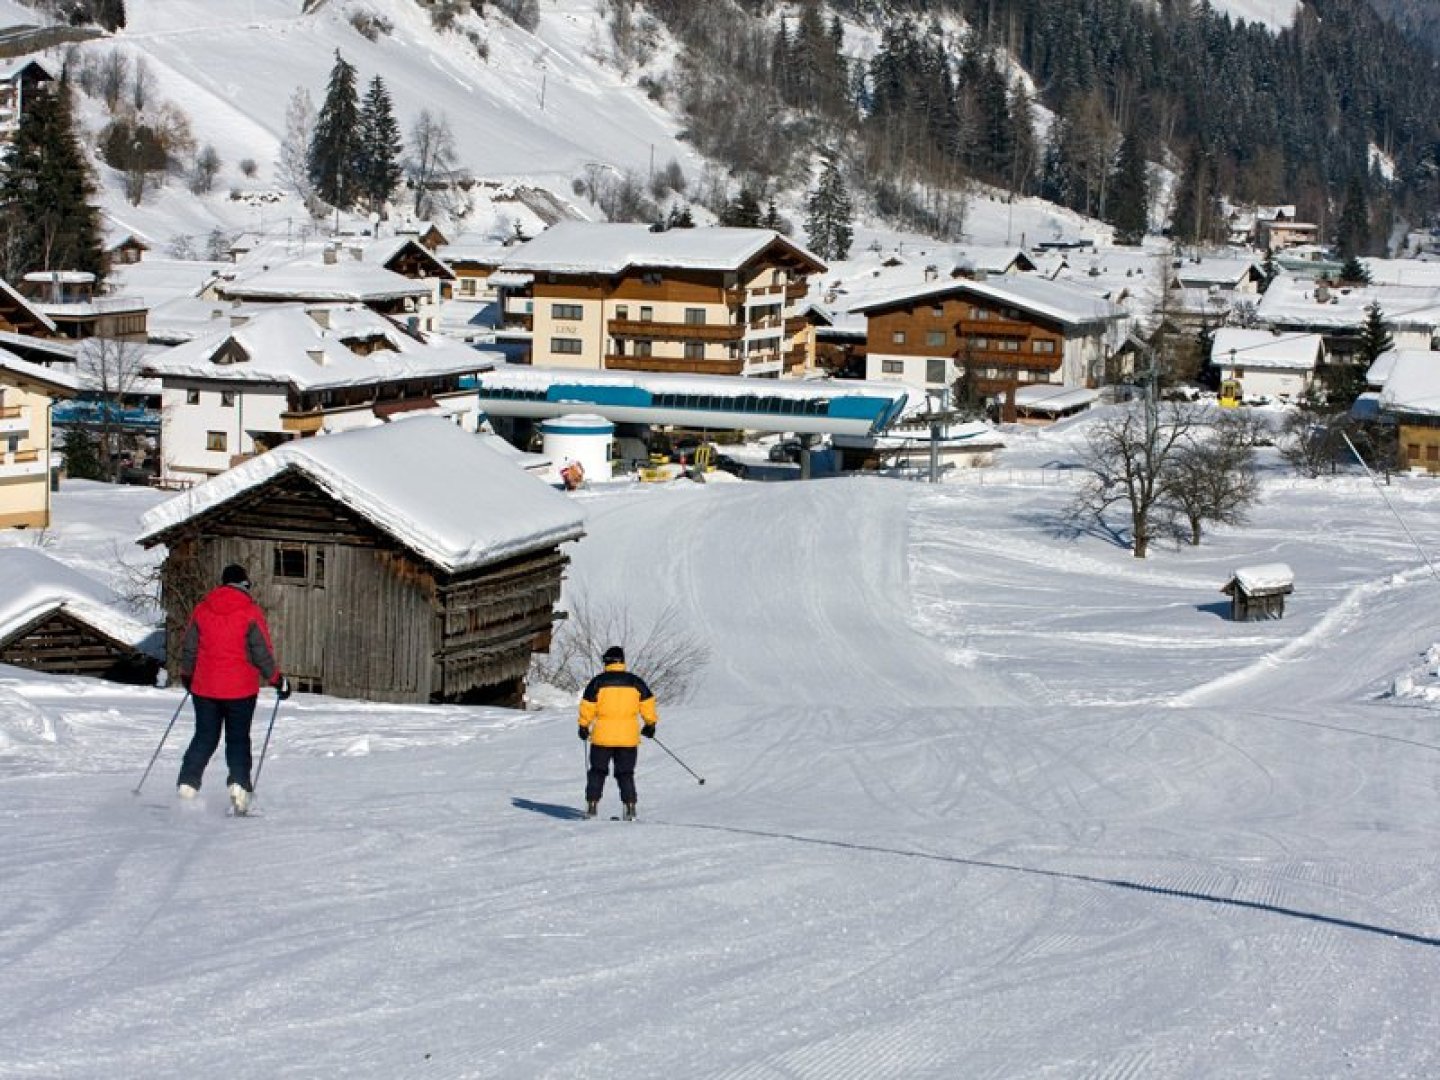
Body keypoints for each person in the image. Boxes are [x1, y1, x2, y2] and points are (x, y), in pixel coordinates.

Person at [176, 564, 290, 814]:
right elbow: (261, 651)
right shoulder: (250, 611)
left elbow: (189, 647)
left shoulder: (202, 609)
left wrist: (187, 675)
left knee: (204, 737)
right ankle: (239, 789)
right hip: (240, 690)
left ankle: (187, 786)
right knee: (237, 739)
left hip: (205, 688)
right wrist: (276, 679)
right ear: (245, 584)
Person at [577, 645, 658, 820]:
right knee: (625, 773)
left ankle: (592, 805)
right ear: (622, 661)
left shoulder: (598, 682)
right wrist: (650, 724)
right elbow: (648, 702)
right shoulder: (635, 682)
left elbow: (587, 706)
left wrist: (584, 726)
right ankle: (630, 807)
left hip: (602, 737)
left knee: (597, 771)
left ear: (607, 662)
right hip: (628, 738)